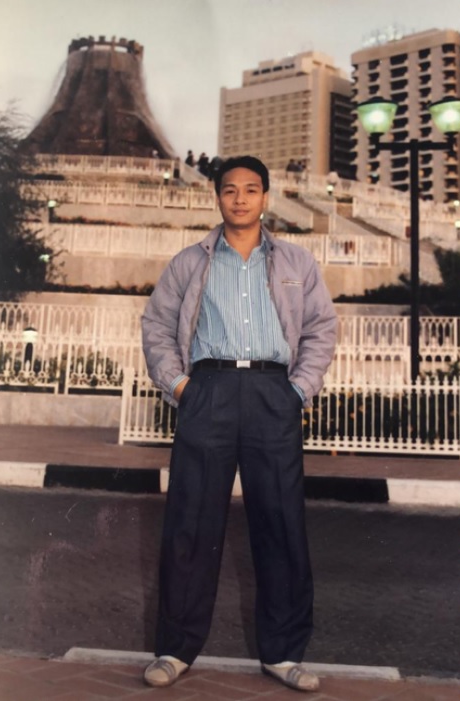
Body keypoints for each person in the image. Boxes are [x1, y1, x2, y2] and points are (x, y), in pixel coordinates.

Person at [140, 156, 337, 691]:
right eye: (231, 190)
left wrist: (298, 390)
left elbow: (321, 327)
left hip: (274, 394)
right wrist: (179, 385)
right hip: (209, 392)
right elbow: (157, 325)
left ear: (266, 197)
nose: (241, 199)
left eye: (252, 190)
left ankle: (284, 653)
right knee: (191, 524)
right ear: (218, 198)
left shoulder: (296, 261)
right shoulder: (190, 262)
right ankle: (175, 650)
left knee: (281, 525)